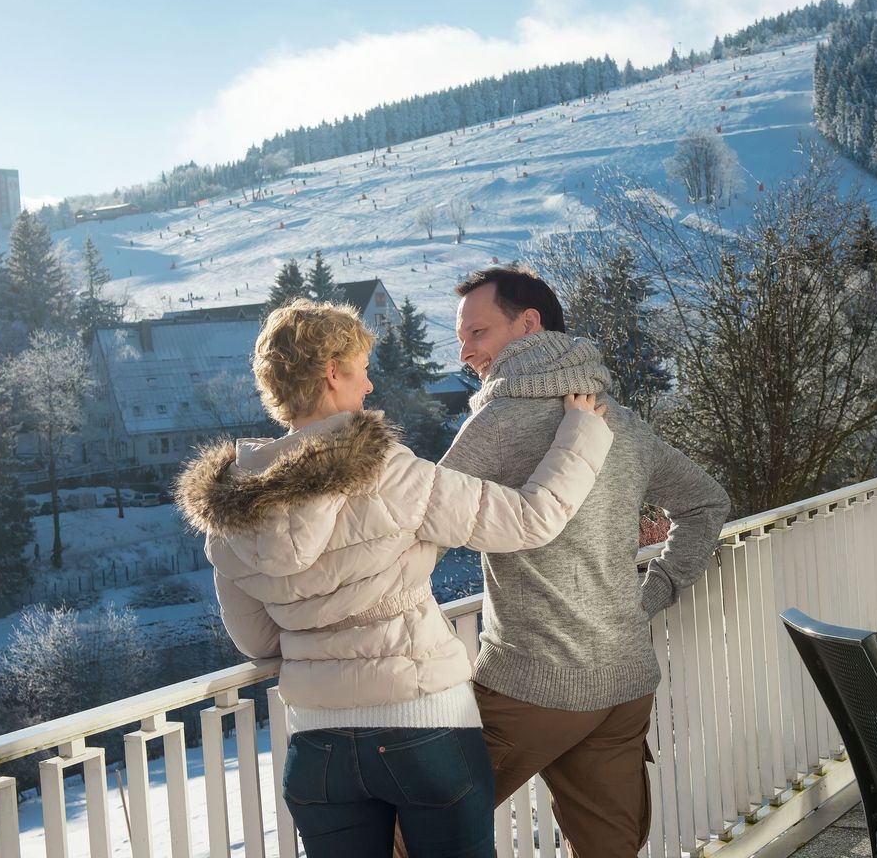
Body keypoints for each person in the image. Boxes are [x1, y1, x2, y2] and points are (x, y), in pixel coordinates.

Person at [175, 298, 612, 858]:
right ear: (332, 373)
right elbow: (531, 518)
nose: (370, 386)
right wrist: (583, 431)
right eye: (361, 370)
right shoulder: (390, 472)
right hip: (424, 728)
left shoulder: (231, 509)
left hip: (318, 749)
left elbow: (257, 642)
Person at [439, 267, 731, 857]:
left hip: (530, 689)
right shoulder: (618, 419)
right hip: (621, 687)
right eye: (462, 337)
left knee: (415, 829)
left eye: (478, 332)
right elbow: (707, 502)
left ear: (529, 324)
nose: (466, 351)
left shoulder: (496, 422)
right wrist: (653, 591)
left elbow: (421, 530)